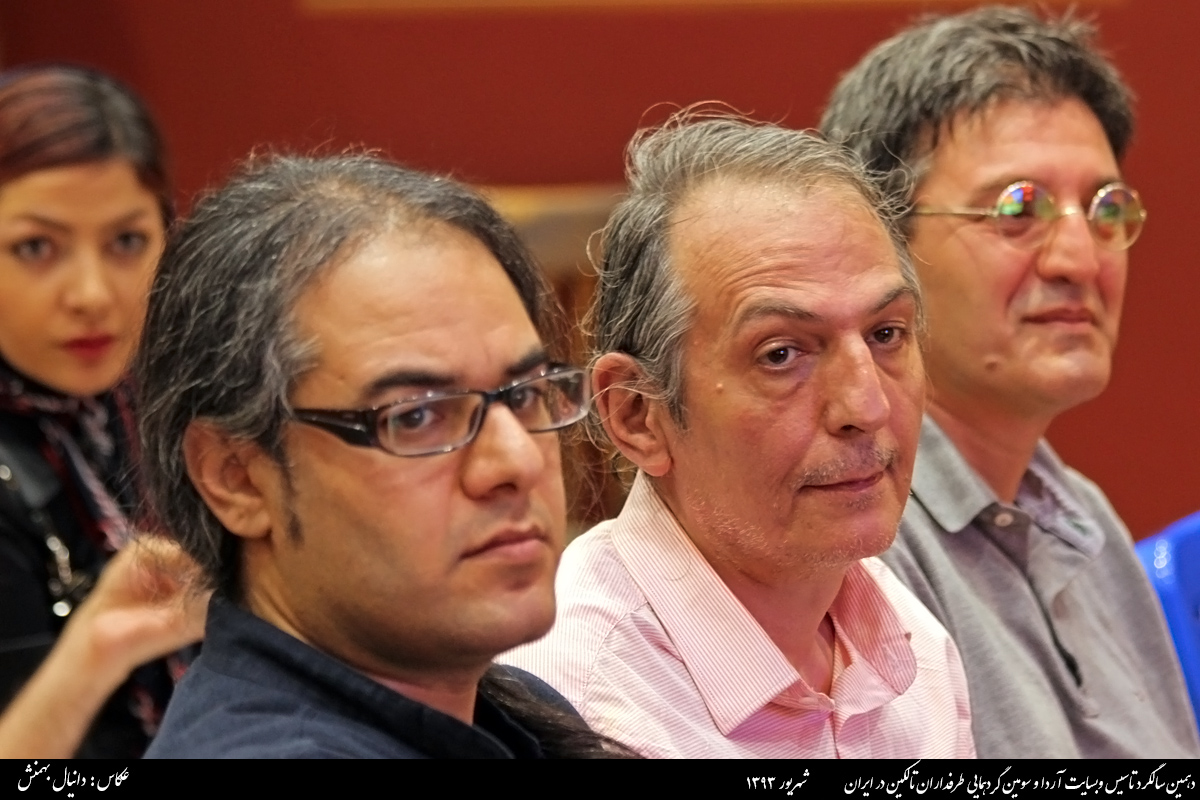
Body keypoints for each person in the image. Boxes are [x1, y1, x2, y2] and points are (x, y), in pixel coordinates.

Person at [504, 113, 975, 758]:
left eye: (886, 334)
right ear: (637, 414)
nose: (866, 406)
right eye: (781, 354)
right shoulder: (575, 713)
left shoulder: (912, 646)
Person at [136, 152, 629, 759]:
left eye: (525, 394)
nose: (517, 463)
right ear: (236, 477)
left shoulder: (507, 705)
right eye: (415, 416)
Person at [820, 6, 1200, 758]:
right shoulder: (851, 530)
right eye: (1019, 207)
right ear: (878, 244)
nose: (1080, 259)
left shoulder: (1082, 516)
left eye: (1106, 208)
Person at [0, 65, 205, 758]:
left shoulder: (169, 401)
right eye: (36, 247)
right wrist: (96, 648)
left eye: (126, 242)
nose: (92, 294)